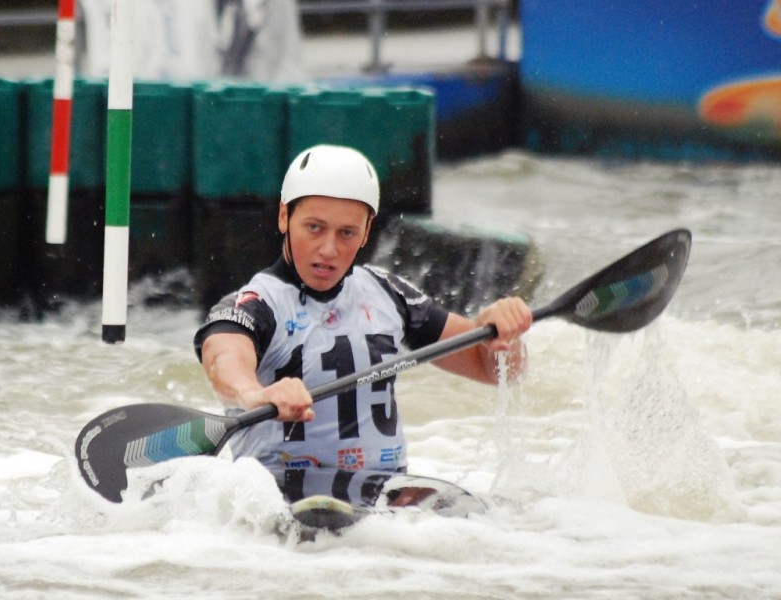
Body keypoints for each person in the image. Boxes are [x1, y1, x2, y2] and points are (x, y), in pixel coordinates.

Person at [193, 144, 532, 476]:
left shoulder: (388, 294)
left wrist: (503, 336)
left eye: (346, 233)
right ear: (284, 216)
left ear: (367, 231)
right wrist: (255, 394)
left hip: (384, 494)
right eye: (314, 227)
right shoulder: (255, 304)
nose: (329, 249)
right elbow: (223, 359)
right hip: (284, 496)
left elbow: (499, 372)